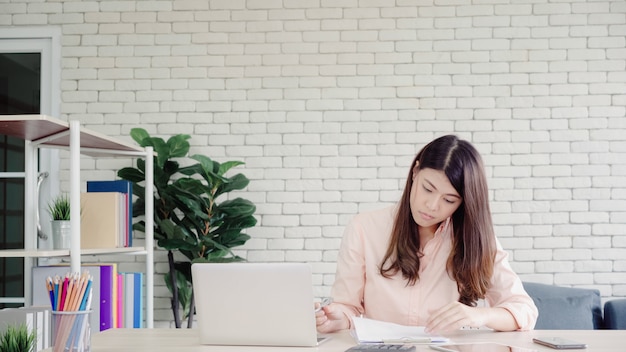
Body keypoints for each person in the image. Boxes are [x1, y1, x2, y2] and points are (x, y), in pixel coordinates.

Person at [315, 135, 538, 334]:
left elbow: (524, 310)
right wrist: (336, 317)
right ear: (415, 172)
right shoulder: (364, 228)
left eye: (449, 200)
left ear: (463, 203)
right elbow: (347, 308)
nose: (432, 206)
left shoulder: (475, 240)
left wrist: (479, 316)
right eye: (428, 189)